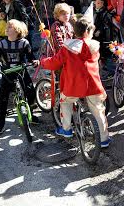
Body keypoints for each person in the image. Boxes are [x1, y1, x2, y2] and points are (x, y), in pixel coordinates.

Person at [40, 17, 111, 147]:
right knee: (98, 110)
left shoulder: (67, 47)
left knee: (65, 102)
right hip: (92, 84)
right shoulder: (94, 47)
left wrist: (43, 61)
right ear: (88, 31)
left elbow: (55, 63)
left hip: (72, 85)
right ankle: (104, 138)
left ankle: (66, 129)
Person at [0, 19, 39, 136]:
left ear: (17, 30)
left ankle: (31, 114)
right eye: (7, 26)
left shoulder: (24, 43)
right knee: (3, 99)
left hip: (21, 70)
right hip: (7, 72)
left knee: (30, 91)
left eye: (10, 27)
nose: (6, 28)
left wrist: (35, 61)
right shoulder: (1, 44)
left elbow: (31, 56)